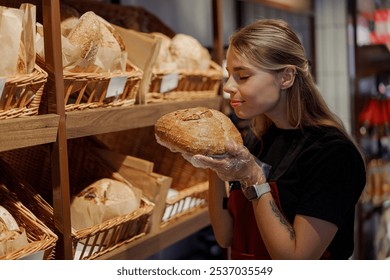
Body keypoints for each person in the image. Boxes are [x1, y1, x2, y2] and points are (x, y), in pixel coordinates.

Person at [192, 19, 366, 260]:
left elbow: (295, 260)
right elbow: (226, 236)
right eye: (229, 75)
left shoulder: (333, 154)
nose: (229, 87)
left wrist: (255, 179)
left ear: (286, 77)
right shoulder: (256, 142)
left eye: (242, 76)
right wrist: (213, 165)